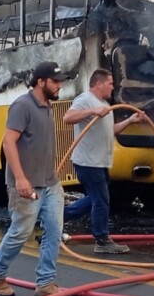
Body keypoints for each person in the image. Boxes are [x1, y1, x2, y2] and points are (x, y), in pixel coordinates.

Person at [0, 62, 69, 296]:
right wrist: (21, 179)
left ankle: (46, 281)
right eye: (55, 81)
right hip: (27, 184)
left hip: (50, 182)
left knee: (54, 230)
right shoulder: (22, 106)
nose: (59, 85)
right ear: (41, 82)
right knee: (21, 231)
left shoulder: (47, 106)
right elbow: (8, 142)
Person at [62, 69, 145, 254]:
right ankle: (102, 240)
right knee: (101, 200)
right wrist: (92, 111)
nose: (112, 87)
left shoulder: (104, 104)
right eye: (110, 83)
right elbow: (67, 118)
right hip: (88, 162)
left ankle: (58, 217)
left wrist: (131, 120)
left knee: (97, 198)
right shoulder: (85, 99)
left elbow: (111, 130)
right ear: (99, 84)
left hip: (100, 162)